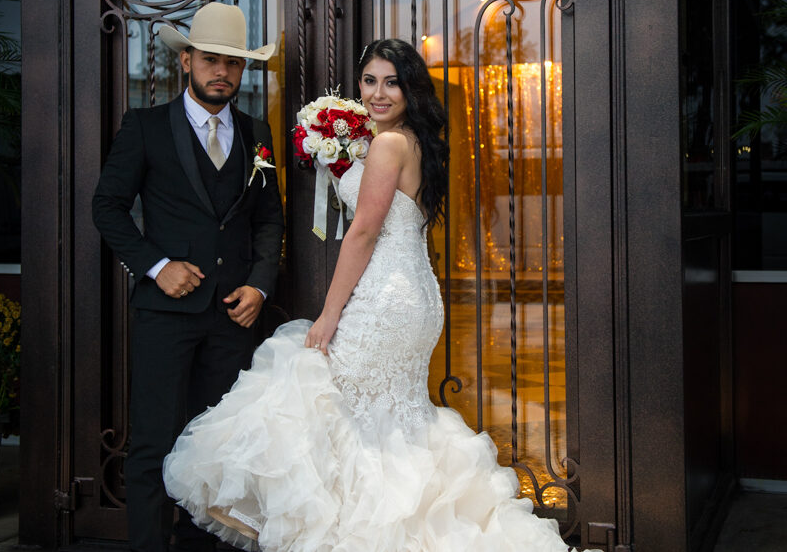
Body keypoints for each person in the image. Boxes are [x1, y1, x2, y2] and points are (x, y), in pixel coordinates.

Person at [163, 39, 591, 552]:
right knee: (384, 422)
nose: (378, 93)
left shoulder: (389, 145)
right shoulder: (405, 140)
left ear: (410, 88)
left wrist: (328, 314)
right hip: (411, 292)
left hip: (386, 298)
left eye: (391, 82)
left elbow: (363, 232)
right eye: (369, 81)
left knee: (330, 402)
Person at [92, 2, 284, 552]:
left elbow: (269, 219)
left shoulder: (256, 132)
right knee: (153, 444)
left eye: (233, 63)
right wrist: (157, 265)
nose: (221, 71)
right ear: (186, 62)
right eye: (210, 59)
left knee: (220, 449)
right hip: (164, 314)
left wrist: (260, 284)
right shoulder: (146, 127)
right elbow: (107, 207)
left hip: (233, 316)